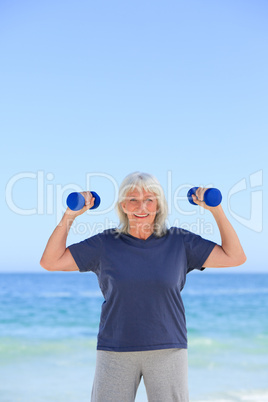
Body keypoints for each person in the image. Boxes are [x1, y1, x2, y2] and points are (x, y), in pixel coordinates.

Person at [40, 172, 246, 402]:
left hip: (168, 349)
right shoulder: (105, 243)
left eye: (149, 199)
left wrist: (215, 209)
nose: (142, 207)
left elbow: (235, 256)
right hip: (114, 349)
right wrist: (70, 215)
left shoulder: (180, 241)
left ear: (159, 205)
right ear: (123, 206)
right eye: (133, 200)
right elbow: (51, 261)